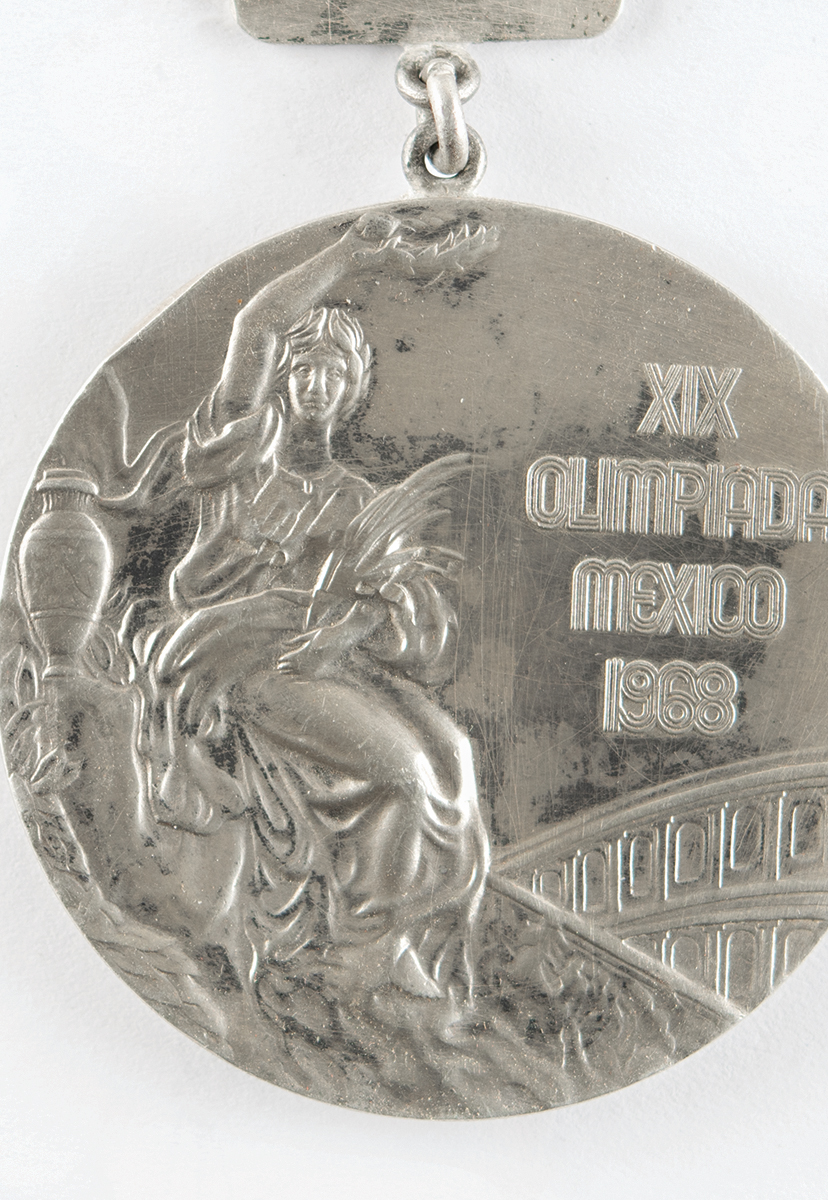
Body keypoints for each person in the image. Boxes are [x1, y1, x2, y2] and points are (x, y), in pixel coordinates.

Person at [129, 213, 489, 1001]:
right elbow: (255, 325)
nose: (317, 385)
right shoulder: (236, 459)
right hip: (235, 660)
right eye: (304, 371)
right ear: (282, 382)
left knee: (452, 755)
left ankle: (402, 936)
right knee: (404, 776)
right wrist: (351, 253)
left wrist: (358, 619)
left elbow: (403, 620)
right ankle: (366, 947)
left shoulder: (355, 500)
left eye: (333, 373)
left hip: (323, 663)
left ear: (350, 389)